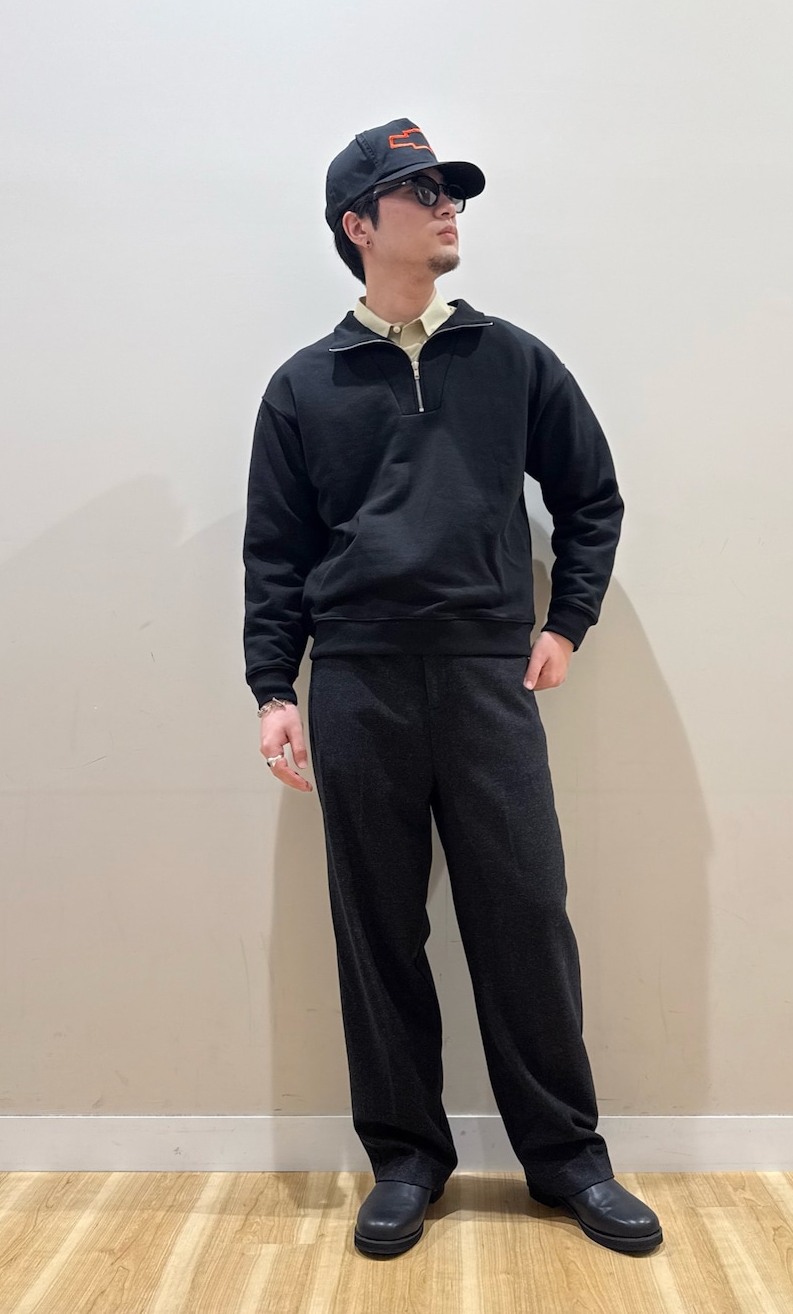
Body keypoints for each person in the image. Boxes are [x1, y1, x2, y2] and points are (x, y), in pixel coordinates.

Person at [242, 117, 663, 1259]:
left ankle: (567, 1159)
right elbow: (275, 553)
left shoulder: (510, 360)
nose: (447, 208)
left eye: (450, 191)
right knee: (376, 928)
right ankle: (405, 1159)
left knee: (525, 915)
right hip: (358, 683)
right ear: (357, 223)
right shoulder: (304, 385)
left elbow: (591, 497)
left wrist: (565, 622)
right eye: (419, 192)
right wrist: (273, 688)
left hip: (486, 679)